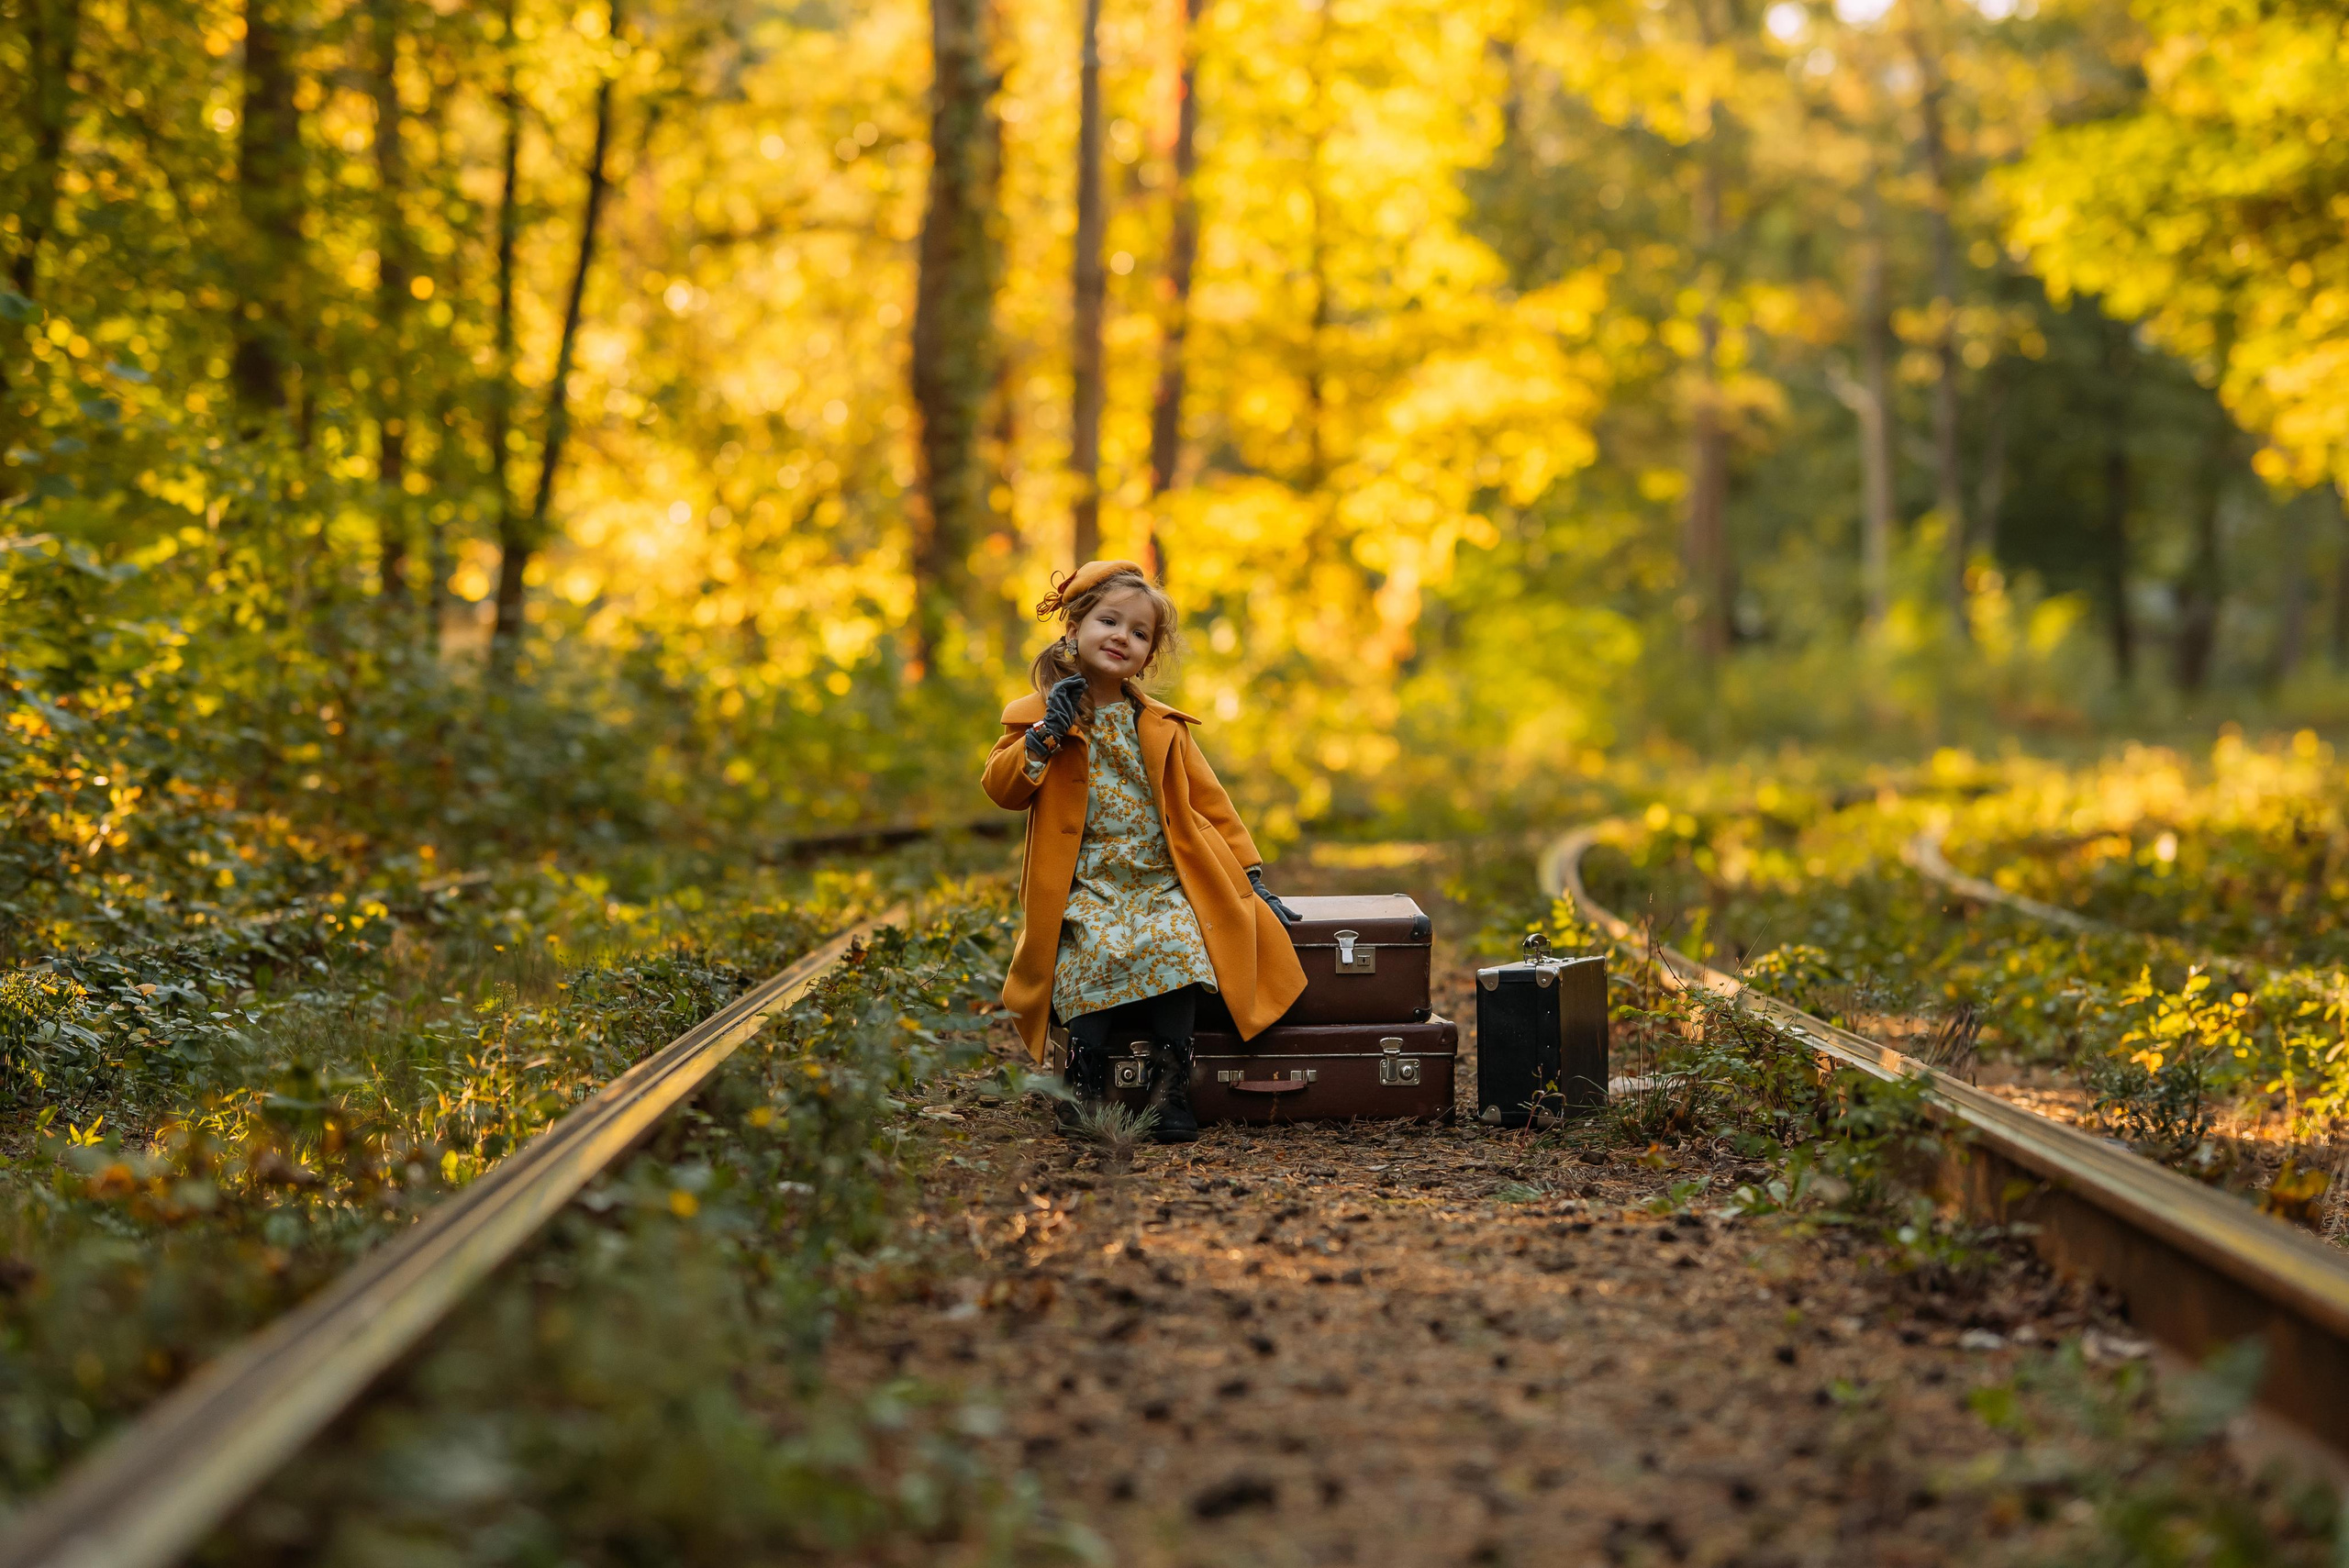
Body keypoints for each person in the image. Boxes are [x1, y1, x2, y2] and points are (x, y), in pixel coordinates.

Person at [981, 560, 1308, 1143]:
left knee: (1180, 942)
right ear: (1074, 630)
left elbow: (1211, 804)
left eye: (1139, 633)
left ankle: (1170, 1087)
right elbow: (1004, 789)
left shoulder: (1161, 726)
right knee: (1087, 951)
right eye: (1109, 621)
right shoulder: (1035, 718)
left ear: (1149, 656)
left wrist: (1250, 874)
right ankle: (1080, 1088)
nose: (1121, 638)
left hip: (1160, 878)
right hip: (1086, 882)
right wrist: (1045, 736)